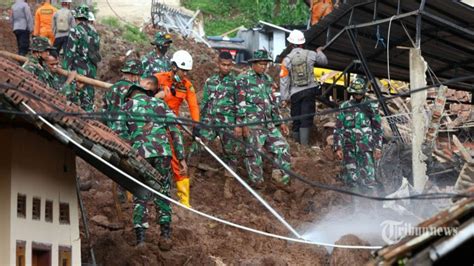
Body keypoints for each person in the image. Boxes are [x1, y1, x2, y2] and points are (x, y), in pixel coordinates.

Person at [121, 83, 187, 251]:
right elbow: (175, 130)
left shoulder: (126, 106)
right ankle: (165, 236)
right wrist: (181, 158)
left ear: (130, 96)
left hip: (140, 156)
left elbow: (119, 135)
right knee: (163, 191)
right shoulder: (160, 104)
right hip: (163, 153)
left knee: (140, 193)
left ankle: (141, 239)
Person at [235, 50, 292, 191]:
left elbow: (272, 103)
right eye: (261, 64)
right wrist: (242, 124)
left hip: (268, 123)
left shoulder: (267, 80)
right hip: (252, 124)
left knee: (282, 147)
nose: (264, 67)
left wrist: (281, 122)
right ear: (253, 64)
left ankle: (280, 180)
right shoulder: (243, 79)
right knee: (254, 152)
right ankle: (257, 184)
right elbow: (239, 102)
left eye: (265, 64)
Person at [192, 51, 241, 198]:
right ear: (218, 64)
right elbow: (204, 102)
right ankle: (190, 175)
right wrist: (198, 123)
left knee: (231, 152)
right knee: (197, 145)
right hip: (209, 121)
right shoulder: (210, 81)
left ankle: (228, 185)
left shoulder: (236, 82)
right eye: (223, 65)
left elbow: (240, 104)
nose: (226, 68)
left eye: (229, 65)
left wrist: (239, 124)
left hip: (228, 123)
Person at [155, 50, 199, 208]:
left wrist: (196, 125)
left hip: (172, 126)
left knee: (178, 160)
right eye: (183, 70)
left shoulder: (187, 86)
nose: (185, 74)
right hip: (153, 124)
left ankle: (184, 200)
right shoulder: (158, 78)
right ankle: (134, 194)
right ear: (173, 67)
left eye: (187, 71)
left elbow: (193, 105)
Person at [333, 77, 383, 193]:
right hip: (349, 149)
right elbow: (338, 128)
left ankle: (373, 206)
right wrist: (338, 147)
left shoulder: (372, 105)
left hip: (366, 148)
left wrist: (378, 147)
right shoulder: (345, 106)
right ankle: (357, 208)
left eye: (360, 93)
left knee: (369, 178)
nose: (358, 95)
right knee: (352, 180)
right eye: (355, 93)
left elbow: (377, 129)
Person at [280, 29, 328, 146]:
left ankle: (297, 147)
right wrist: (319, 51)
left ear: (291, 44)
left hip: (295, 93)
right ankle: (305, 146)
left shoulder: (286, 60)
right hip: (309, 91)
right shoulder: (311, 54)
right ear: (302, 43)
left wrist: (284, 98)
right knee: (306, 118)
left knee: (296, 118)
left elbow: (284, 81)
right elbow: (324, 62)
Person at [63, 4, 101, 112]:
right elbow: (96, 52)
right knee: (88, 100)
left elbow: (69, 53)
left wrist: (65, 72)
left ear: (76, 18)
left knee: (73, 101)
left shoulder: (75, 31)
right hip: (91, 72)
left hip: (77, 71)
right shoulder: (95, 32)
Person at [103, 59, 142, 138]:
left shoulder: (112, 88)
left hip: (107, 130)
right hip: (124, 136)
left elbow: (104, 110)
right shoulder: (134, 92)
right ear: (135, 76)